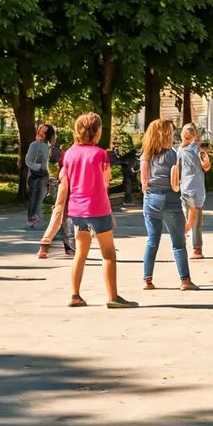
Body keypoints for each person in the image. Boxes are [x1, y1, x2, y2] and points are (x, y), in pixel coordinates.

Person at [60, 112, 137, 308]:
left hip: (77, 209)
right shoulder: (100, 154)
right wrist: (110, 211)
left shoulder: (69, 153)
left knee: (80, 253)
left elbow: (65, 178)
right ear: (95, 132)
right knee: (108, 253)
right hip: (98, 207)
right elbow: (105, 183)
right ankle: (113, 296)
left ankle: (75, 295)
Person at [140, 119, 196, 291]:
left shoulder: (146, 154)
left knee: (152, 240)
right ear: (166, 134)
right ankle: (185, 281)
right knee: (178, 243)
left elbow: (144, 182)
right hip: (171, 199)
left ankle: (147, 280)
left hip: (152, 198)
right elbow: (178, 180)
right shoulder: (173, 154)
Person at [178, 124, 211, 259]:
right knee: (192, 218)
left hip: (189, 187)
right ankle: (192, 247)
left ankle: (194, 247)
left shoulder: (190, 149)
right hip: (189, 187)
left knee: (192, 218)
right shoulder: (185, 149)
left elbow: (206, 166)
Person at [25, 124, 56, 229]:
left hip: (44, 176)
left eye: (44, 132)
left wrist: (48, 173)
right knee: (37, 197)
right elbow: (28, 161)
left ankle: (38, 221)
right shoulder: (35, 145)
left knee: (41, 198)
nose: (41, 134)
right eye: (39, 131)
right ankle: (34, 221)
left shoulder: (48, 146)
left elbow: (47, 163)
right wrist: (40, 169)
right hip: (36, 176)